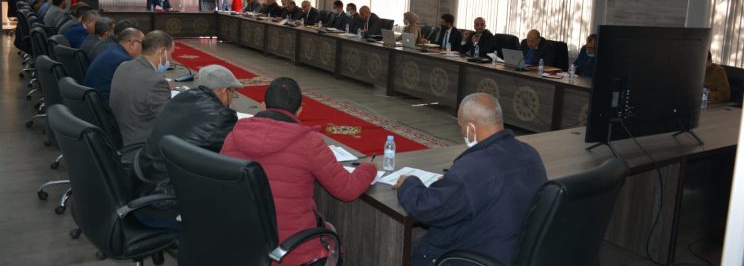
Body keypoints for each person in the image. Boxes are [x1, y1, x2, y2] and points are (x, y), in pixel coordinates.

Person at [221, 77, 377, 266]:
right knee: (331, 236)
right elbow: (347, 190)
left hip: (241, 245)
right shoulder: (310, 143)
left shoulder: (233, 136)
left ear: (263, 105)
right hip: (292, 253)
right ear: (300, 110)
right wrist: (369, 168)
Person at [395, 93, 547, 265]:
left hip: (475, 255)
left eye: (461, 126)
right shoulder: (530, 153)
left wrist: (409, 184)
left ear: (471, 129)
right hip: (514, 251)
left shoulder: (473, 167)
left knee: (406, 251)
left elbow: (428, 209)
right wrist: (452, 182)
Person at [136, 64, 241, 197]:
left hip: (144, 176)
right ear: (224, 91)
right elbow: (230, 154)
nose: (232, 98)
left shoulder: (183, 97)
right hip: (168, 193)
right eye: (233, 93)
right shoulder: (222, 116)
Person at [109, 30, 174, 146]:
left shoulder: (123, 66)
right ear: (162, 52)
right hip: (143, 144)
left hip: (121, 135)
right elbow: (169, 122)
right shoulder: (156, 82)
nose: (171, 59)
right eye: (170, 54)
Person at [84, 28, 144, 101]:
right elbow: (135, 90)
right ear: (133, 43)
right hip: (104, 102)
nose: (144, 49)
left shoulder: (113, 50)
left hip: (93, 100)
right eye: (143, 44)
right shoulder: (123, 60)